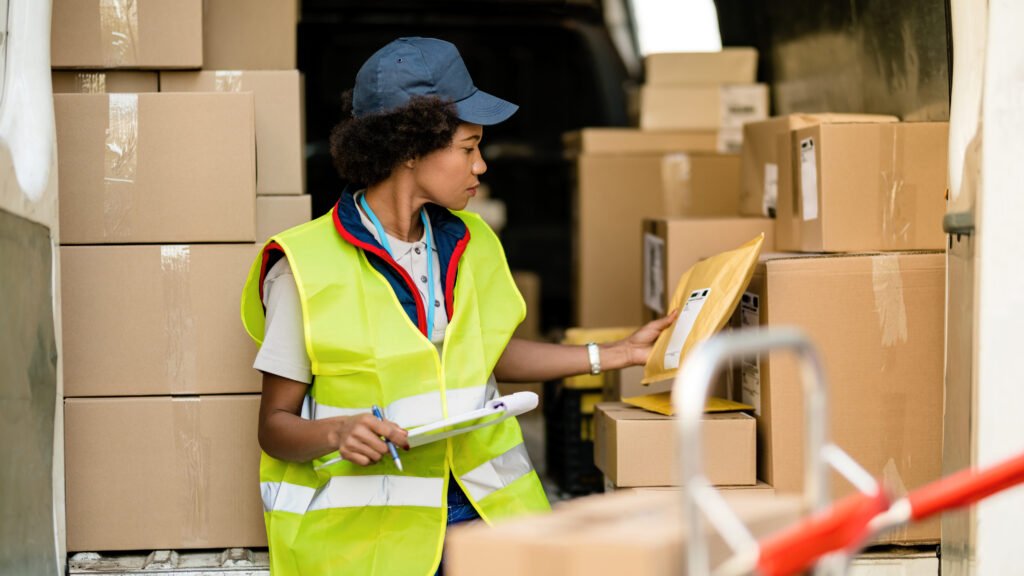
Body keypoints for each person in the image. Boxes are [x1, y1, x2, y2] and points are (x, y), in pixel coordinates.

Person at [240, 36, 677, 576]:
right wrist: (335, 432)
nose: (482, 165)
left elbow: (488, 355)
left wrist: (614, 354)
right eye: (468, 148)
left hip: (486, 511)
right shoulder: (303, 267)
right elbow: (275, 426)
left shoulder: (473, 241)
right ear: (409, 148)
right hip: (374, 541)